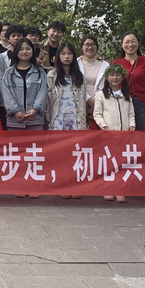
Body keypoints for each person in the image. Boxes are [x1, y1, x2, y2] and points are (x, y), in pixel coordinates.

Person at [47, 42, 87, 200]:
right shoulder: (51, 75)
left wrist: (83, 121)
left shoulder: (79, 76)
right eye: (63, 53)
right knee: (60, 154)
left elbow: (82, 100)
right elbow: (48, 100)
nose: (66, 57)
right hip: (58, 118)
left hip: (75, 118)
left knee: (75, 153)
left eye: (69, 53)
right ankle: (61, 185)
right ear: (58, 56)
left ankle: (75, 185)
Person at [94, 64, 136, 203]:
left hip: (124, 135)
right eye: (112, 75)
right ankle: (107, 189)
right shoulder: (101, 95)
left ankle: (120, 190)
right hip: (108, 134)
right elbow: (97, 114)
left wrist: (131, 125)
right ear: (107, 77)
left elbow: (131, 113)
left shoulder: (126, 95)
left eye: (118, 75)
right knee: (108, 162)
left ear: (123, 77)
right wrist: (103, 125)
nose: (115, 78)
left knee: (121, 162)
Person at [112, 31, 145, 131]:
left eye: (133, 41)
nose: (130, 45)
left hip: (144, 104)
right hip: (124, 102)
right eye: (127, 42)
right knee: (125, 132)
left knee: (144, 133)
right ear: (122, 45)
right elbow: (112, 84)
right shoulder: (117, 63)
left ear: (138, 43)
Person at [1, 38, 48, 131]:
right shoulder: (9, 73)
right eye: (21, 49)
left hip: (35, 120)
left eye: (28, 49)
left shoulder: (40, 72)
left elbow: (43, 92)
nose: (24, 52)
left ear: (32, 51)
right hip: (15, 121)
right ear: (16, 51)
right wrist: (15, 111)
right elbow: (6, 94)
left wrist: (35, 109)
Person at [77, 35, 110, 129]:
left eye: (92, 45)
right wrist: (88, 99)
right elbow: (76, 84)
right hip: (79, 101)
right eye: (87, 45)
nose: (90, 47)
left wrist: (96, 99)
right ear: (82, 47)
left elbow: (105, 85)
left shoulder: (105, 65)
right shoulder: (75, 63)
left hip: (99, 102)